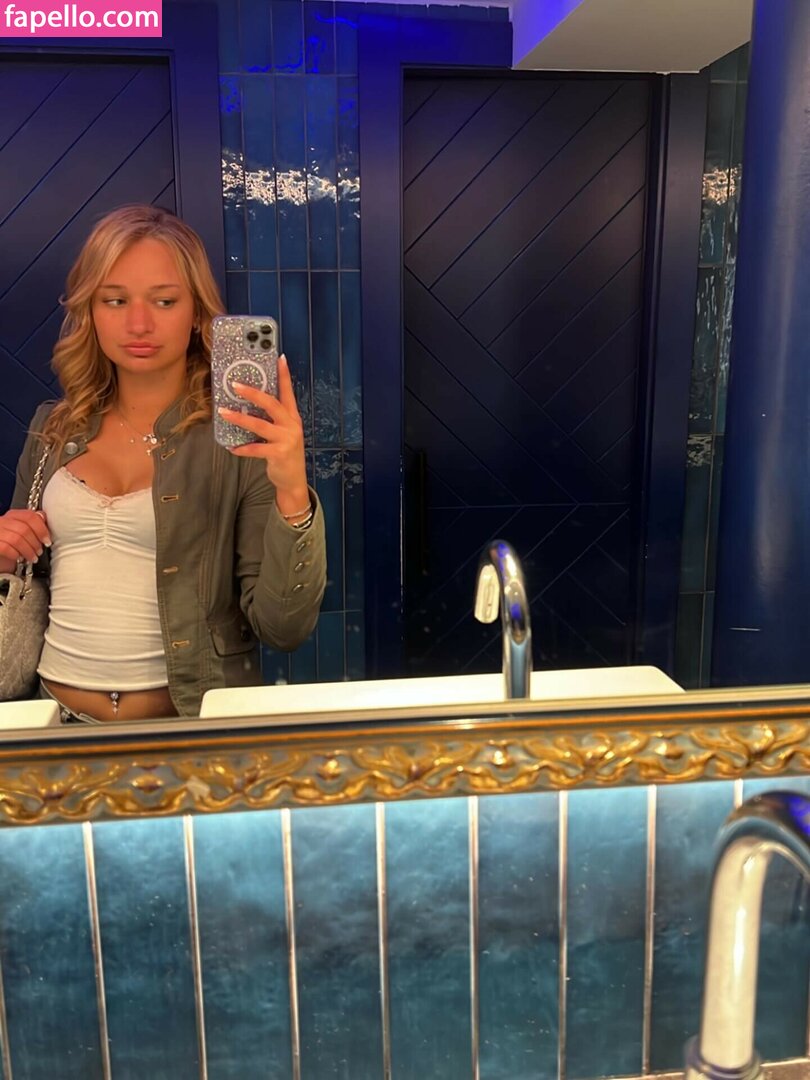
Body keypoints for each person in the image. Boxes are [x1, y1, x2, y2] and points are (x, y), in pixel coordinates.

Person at [0, 205, 326, 722]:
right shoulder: (53, 429)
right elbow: (24, 577)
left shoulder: (239, 440)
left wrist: (292, 492)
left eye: (164, 300)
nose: (139, 323)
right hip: (53, 727)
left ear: (196, 313)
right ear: (91, 311)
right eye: (115, 300)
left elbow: (283, 627)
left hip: (186, 730)